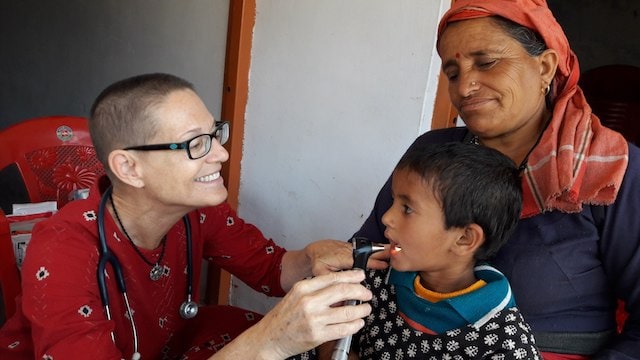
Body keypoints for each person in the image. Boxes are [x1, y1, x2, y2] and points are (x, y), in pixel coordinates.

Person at [0, 73, 375, 360]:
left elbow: (269, 268)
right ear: (129, 167)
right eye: (196, 143)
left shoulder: (198, 212)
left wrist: (310, 258)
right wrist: (268, 344)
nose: (221, 155)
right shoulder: (61, 248)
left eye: (214, 134)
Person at [350, 1, 640, 359]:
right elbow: (367, 255)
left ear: (545, 67)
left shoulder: (611, 172)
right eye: (453, 72)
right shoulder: (433, 155)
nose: (466, 86)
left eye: (487, 63)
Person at [294, 142, 541, 360]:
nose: (387, 217)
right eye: (393, 202)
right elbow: (312, 331)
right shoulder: (372, 279)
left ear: (465, 238)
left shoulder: (505, 341)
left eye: (407, 209)